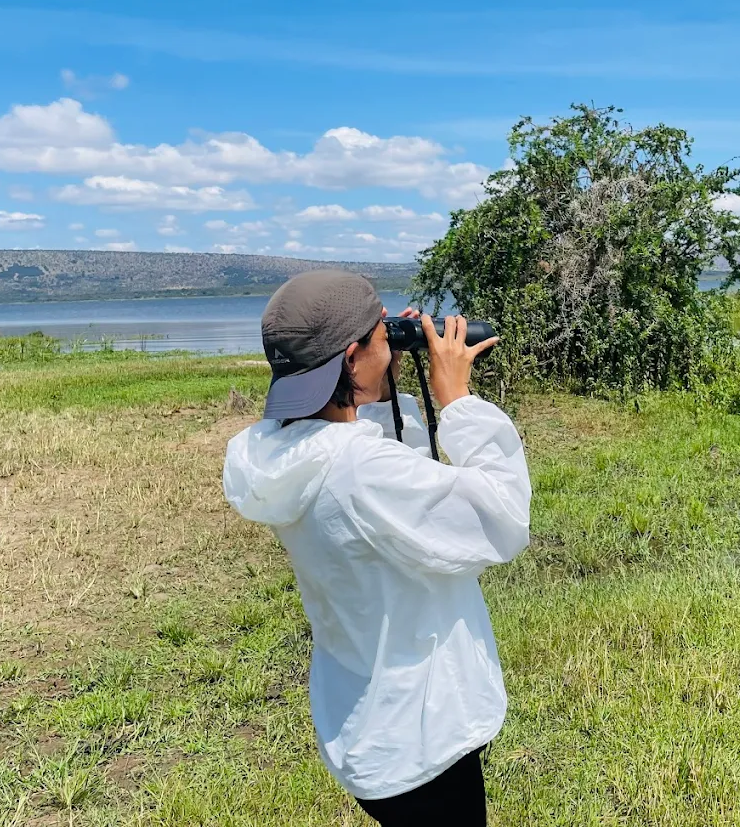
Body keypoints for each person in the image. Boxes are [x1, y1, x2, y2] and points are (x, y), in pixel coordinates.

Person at [222, 270, 531, 826]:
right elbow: (502, 517)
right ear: (351, 357)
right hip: (424, 739)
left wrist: (382, 387)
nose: (390, 343)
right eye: (381, 335)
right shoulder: (361, 473)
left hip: (366, 721)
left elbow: (383, 473)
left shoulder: (281, 454)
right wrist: (458, 401)